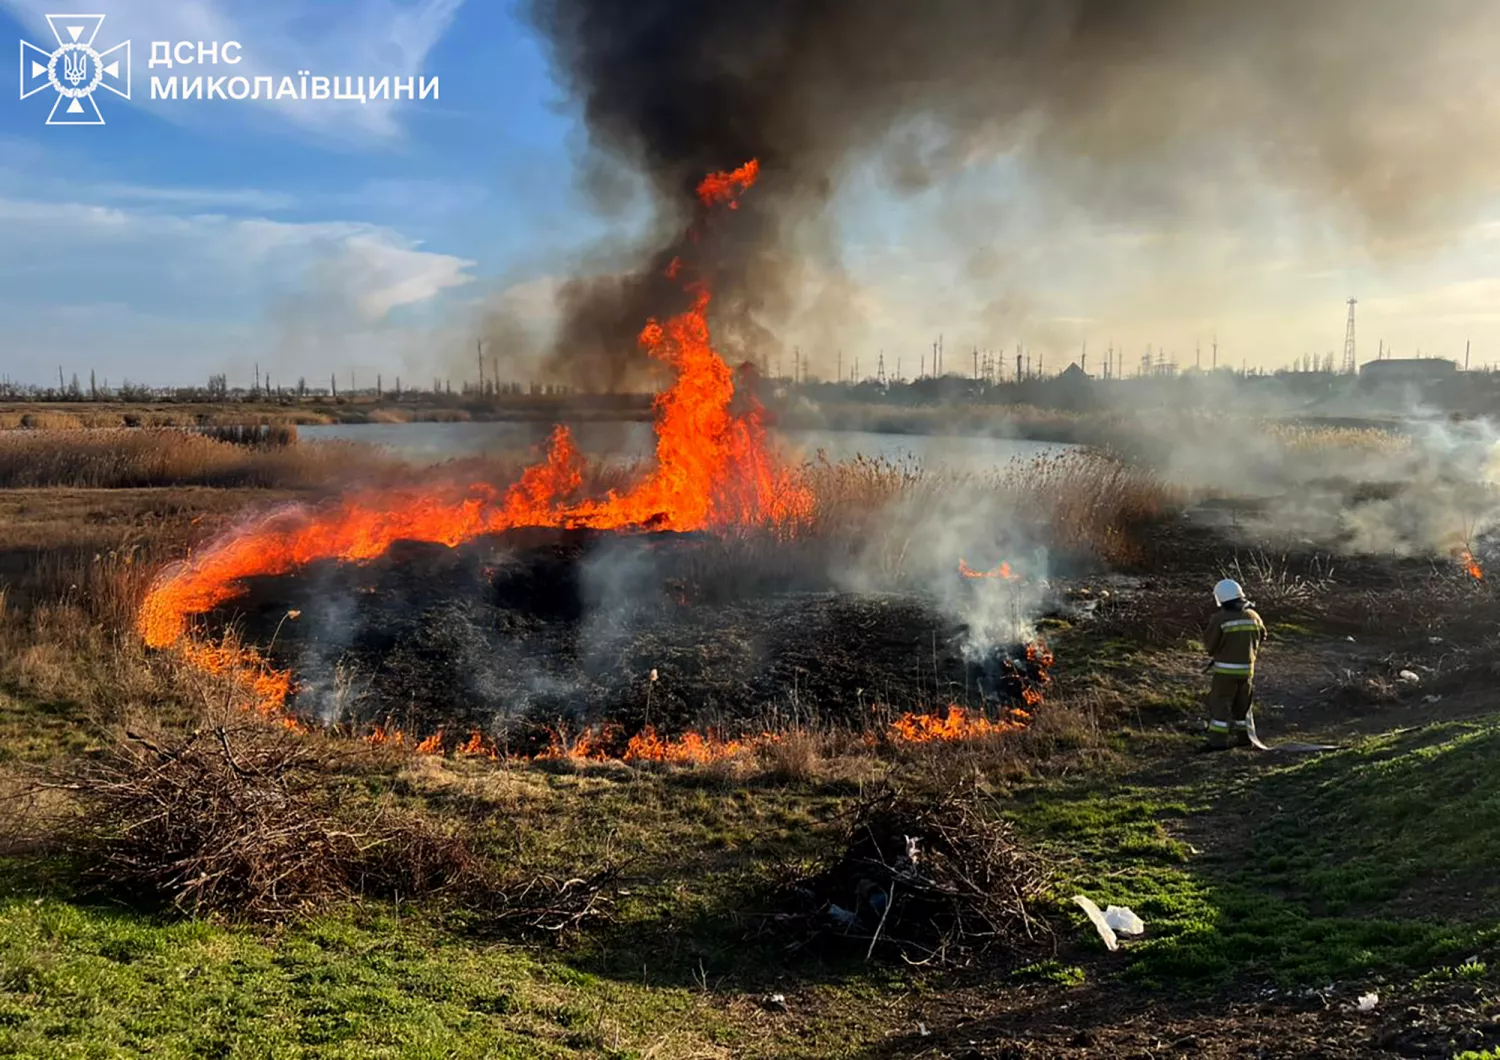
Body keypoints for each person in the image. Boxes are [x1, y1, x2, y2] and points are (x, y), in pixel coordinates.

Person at [1201, 578, 1267, 750]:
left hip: (1225, 673)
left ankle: (1217, 742)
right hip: (1247, 671)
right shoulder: (1253, 616)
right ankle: (1245, 738)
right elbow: (1262, 636)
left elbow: (1210, 645)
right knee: (1242, 706)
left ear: (1220, 599)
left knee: (1220, 705)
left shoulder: (1220, 619)